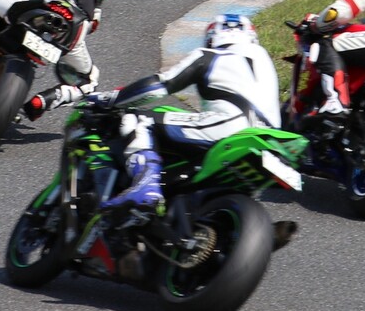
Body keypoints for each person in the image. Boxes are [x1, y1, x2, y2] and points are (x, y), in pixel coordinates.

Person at [100, 13, 283, 211]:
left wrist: (111, 99)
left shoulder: (209, 55)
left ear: (212, 38)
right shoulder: (266, 61)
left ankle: (145, 185)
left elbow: (160, 86)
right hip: (270, 139)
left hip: (231, 127)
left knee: (138, 120)